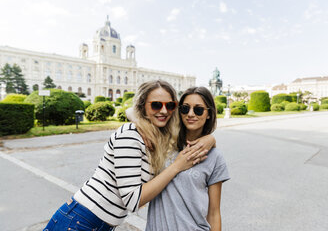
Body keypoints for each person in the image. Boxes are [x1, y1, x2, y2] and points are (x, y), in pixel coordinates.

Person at [43, 80, 215, 231]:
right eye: (156, 105)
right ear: (143, 106)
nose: (164, 111)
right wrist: (177, 166)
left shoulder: (157, 135)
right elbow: (133, 200)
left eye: (170, 105)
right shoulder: (131, 135)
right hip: (80, 220)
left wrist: (210, 139)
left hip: (94, 222)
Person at [146, 86, 230, 231]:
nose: (190, 114)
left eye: (198, 109)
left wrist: (210, 139)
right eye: (185, 108)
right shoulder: (163, 141)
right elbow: (134, 113)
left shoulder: (215, 157)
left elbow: (214, 212)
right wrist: (211, 138)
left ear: (209, 114)